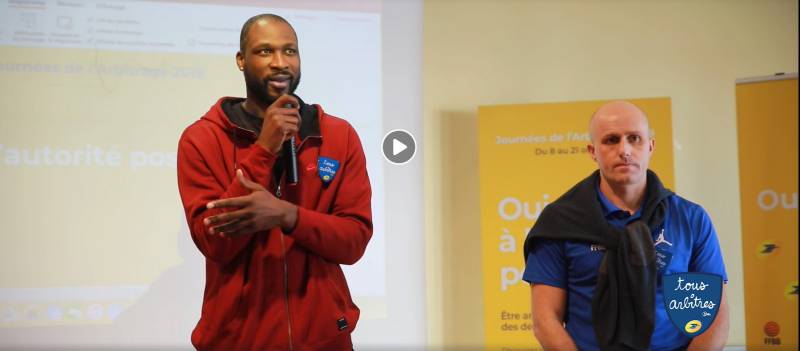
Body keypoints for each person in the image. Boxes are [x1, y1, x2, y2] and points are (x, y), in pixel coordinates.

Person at [177, 14, 372, 350]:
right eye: (265, 52)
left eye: (290, 51)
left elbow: (353, 242)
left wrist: (288, 216)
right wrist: (265, 149)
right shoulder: (202, 139)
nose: (280, 63)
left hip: (325, 338)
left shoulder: (338, 135)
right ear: (241, 60)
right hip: (238, 340)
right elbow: (215, 244)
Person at [522, 101, 729, 351]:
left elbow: (713, 317)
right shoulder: (559, 222)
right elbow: (546, 321)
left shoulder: (690, 218)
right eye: (611, 140)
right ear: (592, 151)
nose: (625, 150)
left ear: (650, 146)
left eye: (635, 138)